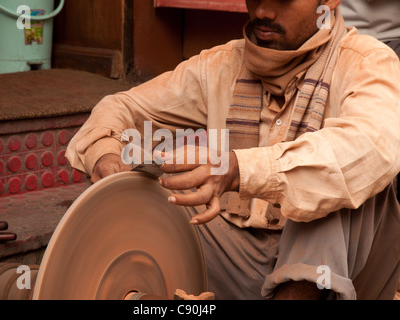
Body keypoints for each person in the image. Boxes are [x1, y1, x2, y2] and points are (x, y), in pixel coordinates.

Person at [66, 0, 400, 300]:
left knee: (339, 189)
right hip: (237, 261)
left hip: (332, 273)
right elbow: (122, 108)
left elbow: (372, 146)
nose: (263, 12)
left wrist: (238, 168)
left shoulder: (368, 62)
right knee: (142, 189)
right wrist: (106, 155)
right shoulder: (220, 65)